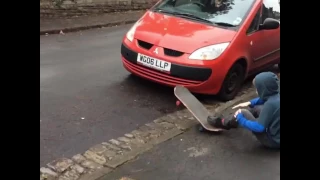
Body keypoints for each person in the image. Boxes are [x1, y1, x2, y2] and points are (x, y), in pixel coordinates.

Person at [208, 71, 280, 149]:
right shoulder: (276, 96)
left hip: (272, 141)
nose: (256, 91)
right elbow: (265, 98)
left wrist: (241, 119)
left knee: (243, 112)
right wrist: (250, 102)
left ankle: (223, 122)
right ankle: (231, 120)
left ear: (264, 89)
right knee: (256, 108)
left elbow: (259, 128)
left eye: (258, 89)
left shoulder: (270, 105)